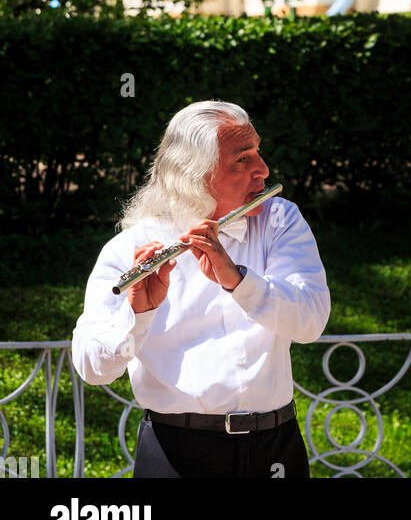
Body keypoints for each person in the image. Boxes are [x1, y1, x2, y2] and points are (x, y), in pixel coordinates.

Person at [72, 100, 331, 479]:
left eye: (257, 152)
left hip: (274, 448)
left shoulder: (280, 221)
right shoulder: (131, 248)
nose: (263, 170)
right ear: (193, 175)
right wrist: (136, 316)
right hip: (177, 452)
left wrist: (239, 280)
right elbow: (92, 368)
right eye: (241, 160)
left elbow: (310, 322)